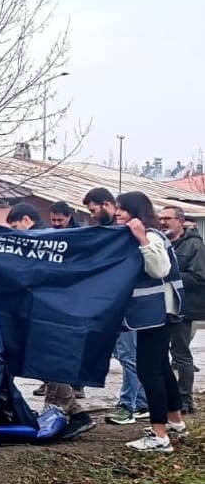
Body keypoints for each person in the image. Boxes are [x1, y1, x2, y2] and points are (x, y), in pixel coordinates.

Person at [6, 202, 97, 439]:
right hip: (49, 311)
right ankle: (67, 413)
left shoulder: (38, 240)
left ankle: (75, 413)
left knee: (47, 363)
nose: (14, 232)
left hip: (44, 313)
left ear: (26, 220)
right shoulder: (47, 239)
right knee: (46, 363)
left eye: (15, 226)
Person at [115, 192, 189, 452]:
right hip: (154, 314)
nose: (118, 213)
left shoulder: (152, 236)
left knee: (148, 371)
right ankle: (175, 421)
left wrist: (142, 238)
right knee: (161, 367)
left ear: (137, 212)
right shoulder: (146, 234)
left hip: (156, 313)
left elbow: (159, 269)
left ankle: (159, 436)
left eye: (123, 209)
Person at [85, 187, 149, 424]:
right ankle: (141, 402)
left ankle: (128, 405)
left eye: (93, 210)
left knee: (129, 356)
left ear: (107, 205)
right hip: (117, 304)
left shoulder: (126, 234)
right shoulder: (113, 232)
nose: (91, 215)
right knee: (131, 356)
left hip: (128, 306)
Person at [160, 205, 204, 414]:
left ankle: (185, 399)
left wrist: (169, 275)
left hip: (184, 307)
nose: (163, 222)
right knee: (160, 354)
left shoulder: (194, 245)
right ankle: (166, 396)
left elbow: (199, 277)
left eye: (167, 218)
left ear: (180, 221)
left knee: (180, 354)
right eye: (161, 218)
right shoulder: (160, 242)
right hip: (161, 306)